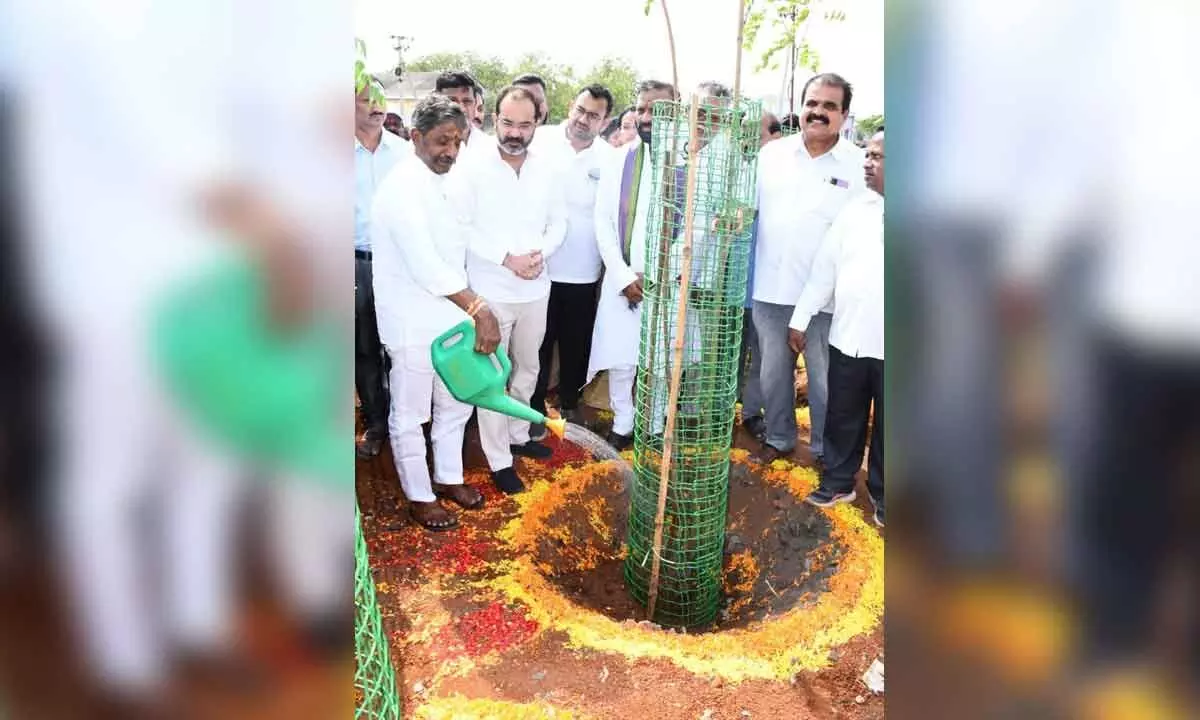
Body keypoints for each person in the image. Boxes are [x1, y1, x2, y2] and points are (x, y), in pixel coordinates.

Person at [371, 95, 498, 531]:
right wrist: (480, 309)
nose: (451, 151)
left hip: (448, 316)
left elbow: (456, 251)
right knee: (410, 415)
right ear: (416, 136)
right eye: (442, 141)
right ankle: (420, 496)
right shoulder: (400, 189)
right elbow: (425, 266)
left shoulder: (443, 181)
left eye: (458, 142)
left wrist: (469, 308)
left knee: (454, 402)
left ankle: (447, 478)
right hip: (410, 321)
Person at [449, 86, 566, 494]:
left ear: (538, 123)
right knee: (493, 378)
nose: (515, 132)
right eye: (508, 122)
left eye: (524, 124)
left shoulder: (547, 168)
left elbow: (559, 222)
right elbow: (461, 227)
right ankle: (499, 460)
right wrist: (506, 259)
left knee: (529, 368)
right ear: (493, 118)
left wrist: (540, 254)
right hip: (490, 292)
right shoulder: (471, 166)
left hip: (537, 287)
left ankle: (519, 436)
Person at [752, 72, 864, 464]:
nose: (818, 112)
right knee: (773, 377)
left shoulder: (858, 165)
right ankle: (779, 439)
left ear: (845, 115)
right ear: (800, 108)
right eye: (812, 104)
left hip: (827, 300)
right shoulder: (771, 156)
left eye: (829, 106)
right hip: (771, 290)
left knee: (826, 382)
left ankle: (823, 452)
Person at [788, 130, 884, 526]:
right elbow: (824, 269)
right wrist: (800, 318)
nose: (867, 161)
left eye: (878, 156)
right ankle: (839, 482)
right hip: (850, 337)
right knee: (844, 415)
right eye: (868, 154)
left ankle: (886, 497)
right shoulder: (855, 208)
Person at [586, 79, 680, 449]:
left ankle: (654, 426)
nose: (645, 117)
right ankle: (623, 422)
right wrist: (623, 274)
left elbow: (698, 227)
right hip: (622, 277)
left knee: (660, 361)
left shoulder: (690, 164)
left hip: (669, 280)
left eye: (655, 110)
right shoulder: (620, 160)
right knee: (622, 357)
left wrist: (660, 272)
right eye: (640, 109)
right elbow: (602, 221)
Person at [528, 84, 617, 432]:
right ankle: (533, 409)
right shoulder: (541, 141)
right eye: (580, 110)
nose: (584, 119)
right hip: (537, 267)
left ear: (605, 121)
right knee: (538, 343)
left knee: (576, 343)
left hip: (583, 270)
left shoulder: (610, 158)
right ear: (570, 107)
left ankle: (569, 404)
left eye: (593, 115)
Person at [355, 79, 409, 457]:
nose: (377, 107)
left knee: (403, 346)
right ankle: (376, 423)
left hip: (401, 265)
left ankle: (406, 422)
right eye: (366, 100)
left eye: (380, 99)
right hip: (354, 263)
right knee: (363, 348)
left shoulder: (406, 154)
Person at [435, 70, 487, 157]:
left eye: (467, 101)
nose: (461, 109)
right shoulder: (422, 148)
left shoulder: (492, 149)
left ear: (475, 104)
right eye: (452, 101)